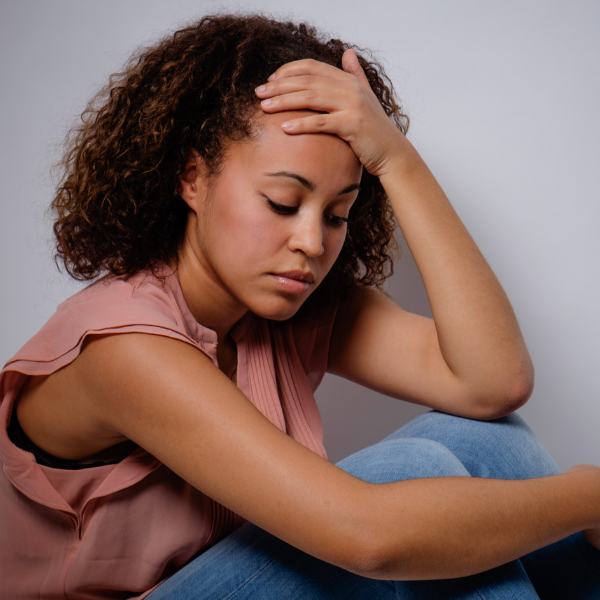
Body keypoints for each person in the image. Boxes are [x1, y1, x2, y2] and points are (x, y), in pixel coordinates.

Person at [0, 13, 599, 600]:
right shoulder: (123, 348)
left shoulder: (284, 306)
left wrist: (396, 160)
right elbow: (369, 537)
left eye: (337, 215)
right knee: (401, 477)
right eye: (284, 203)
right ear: (191, 179)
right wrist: (587, 497)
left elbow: (494, 383)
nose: (313, 243)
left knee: (486, 441)